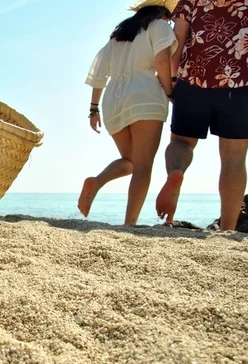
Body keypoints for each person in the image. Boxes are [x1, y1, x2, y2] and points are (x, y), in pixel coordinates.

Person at [78, 0, 178, 225]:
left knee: (131, 161)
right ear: (164, 12)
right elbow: (162, 61)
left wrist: (93, 108)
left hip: (113, 100)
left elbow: (99, 74)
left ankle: (97, 181)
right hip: (144, 96)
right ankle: (130, 223)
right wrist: (170, 91)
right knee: (143, 166)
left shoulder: (119, 36)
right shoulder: (159, 26)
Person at [155, 0, 248, 231]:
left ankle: (176, 172)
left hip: (193, 80)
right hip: (239, 83)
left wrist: (174, 79)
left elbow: (178, 36)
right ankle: (228, 228)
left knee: (181, 142)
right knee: (234, 157)